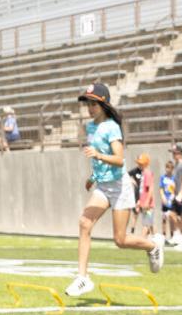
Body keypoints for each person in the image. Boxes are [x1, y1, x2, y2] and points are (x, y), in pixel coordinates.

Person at [65, 82, 165, 297]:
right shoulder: (91, 127)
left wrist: (98, 156)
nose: (90, 107)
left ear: (104, 104)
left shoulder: (112, 127)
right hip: (103, 186)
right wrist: (93, 177)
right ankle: (83, 278)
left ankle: (152, 246)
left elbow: (119, 160)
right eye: (88, 103)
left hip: (120, 187)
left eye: (94, 103)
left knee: (120, 241)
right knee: (84, 223)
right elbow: (99, 158)